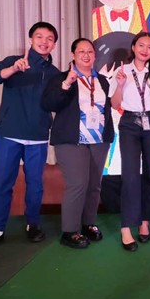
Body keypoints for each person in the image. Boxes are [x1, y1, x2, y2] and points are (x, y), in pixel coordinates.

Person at [0, 22, 60, 251]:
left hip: (38, 136)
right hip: (10, 134)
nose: (44, 42)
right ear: (30, 39)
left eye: (50, 38)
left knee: (35, 185)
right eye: (39, 36)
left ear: (54, 44)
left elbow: (57, 104)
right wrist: (13, 69)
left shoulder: (55, 73)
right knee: (3, 183)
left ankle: (32, 224)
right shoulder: (14, 61)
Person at [42, 38, 114, 249]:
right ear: (73, 55)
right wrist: (66, 84)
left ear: (95, 55)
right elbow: (48, 104)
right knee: (78, 183)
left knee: (94, 184)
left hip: (99, 140)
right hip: (71, 140)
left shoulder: (102, 80)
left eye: (90, 51)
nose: (86, 55)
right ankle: (69, 231)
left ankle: (88, 223)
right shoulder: (61, 78)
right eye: (81, 51)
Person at [110, 32, 150, 252]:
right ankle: (126, 227)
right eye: (141, 45)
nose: (145, 50)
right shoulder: (122, 71)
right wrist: (120, 85)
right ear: (133, 47)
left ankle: (145, 221)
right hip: (130, 124)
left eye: (149, 47)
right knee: (130, 175)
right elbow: (115, 104)